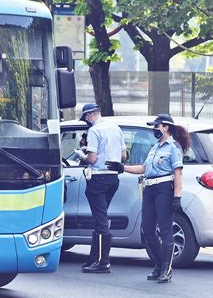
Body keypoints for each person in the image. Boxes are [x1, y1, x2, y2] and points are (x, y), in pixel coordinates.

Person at [106, 114, 190, 283]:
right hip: (149, 188)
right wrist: (122, 167)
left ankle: (166, 268)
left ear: (166, 127)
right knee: (147, 228)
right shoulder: (155, 147)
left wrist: (177, 197)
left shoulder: (173, 147)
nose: (154, 129)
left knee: (166, 229)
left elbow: (178, 173)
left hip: (164, 189)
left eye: (156, 126)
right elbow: (144, 168)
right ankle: (159, 265)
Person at [74, 104, 126, 274]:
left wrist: (82, 154)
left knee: (101, 220)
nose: (87, 121)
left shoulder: (94, 131)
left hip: (98, 178)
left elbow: (92, 158)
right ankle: (93, 259)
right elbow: (124, 156)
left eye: (86, 118)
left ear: (90, 115)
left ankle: (103, 262)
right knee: (100, 218)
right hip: (113, 178)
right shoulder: (115, 128)